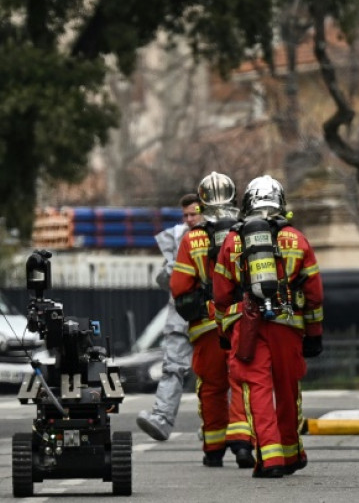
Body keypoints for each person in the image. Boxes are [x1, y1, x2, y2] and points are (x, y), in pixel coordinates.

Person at [213, 175, 324, 478]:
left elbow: (221, 293)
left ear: (247, 204)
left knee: (257, 390)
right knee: (287, 389)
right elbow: (314, 293)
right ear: (281, 203)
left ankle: (270, 458)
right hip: (288, 325)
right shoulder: (298, 240)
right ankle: (291, 453)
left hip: (246, 326)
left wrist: (225, 332)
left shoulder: (233, 241)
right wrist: (314, 335)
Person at [168, 172, 254, 468]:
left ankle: (214, 448)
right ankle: (243, 443)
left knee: (211, 386)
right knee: (242, 381)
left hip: (207, 326)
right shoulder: (245, 233)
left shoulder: (192, 240)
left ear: (201, 203)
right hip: (242, 321)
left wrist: (201, 308)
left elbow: (180, 288)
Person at [136, 193, 203, 441]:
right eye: (185, 215)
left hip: (208, 314)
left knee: (214, 373)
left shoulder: (214, 235)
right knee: (172, 367)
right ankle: (162, 419)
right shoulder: (177, 237)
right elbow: (166, 280)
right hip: (181, 313)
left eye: (193, 213)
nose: (189, 219)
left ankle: (217, 427)